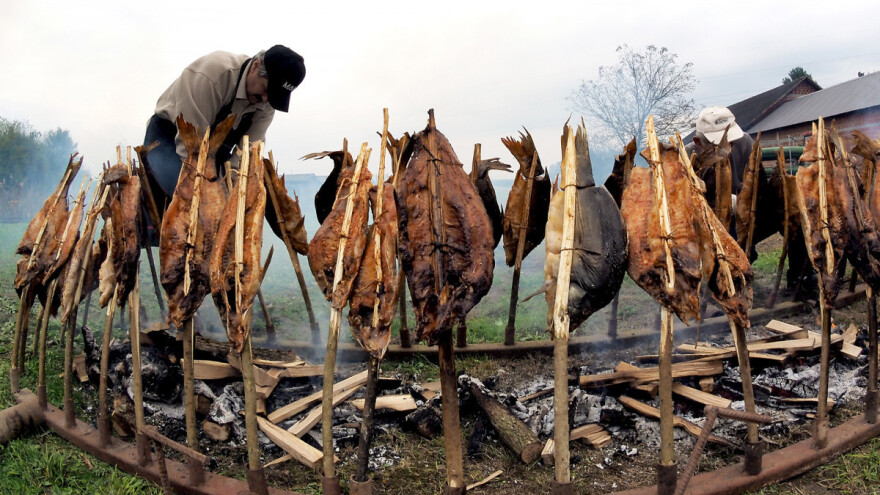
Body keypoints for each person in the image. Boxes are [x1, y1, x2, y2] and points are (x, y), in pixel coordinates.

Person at [142, 45, 306, 210]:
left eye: (273, 96)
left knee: (221, 207)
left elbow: (245, 156)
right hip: (172, 139)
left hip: (214, 152)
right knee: (178, 204)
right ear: (255, 66)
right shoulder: (212, 76)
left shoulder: (266, 104)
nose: (265, 100)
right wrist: (205, 200)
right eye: (265, 89)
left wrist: (230, 193)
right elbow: (191, 148)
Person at [689, 105, 755, 194]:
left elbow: (756, 183)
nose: (728, 150)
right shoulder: (687, 156)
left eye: (731, 142)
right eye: (718, 146)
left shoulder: (744, 142)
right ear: (698, 142)